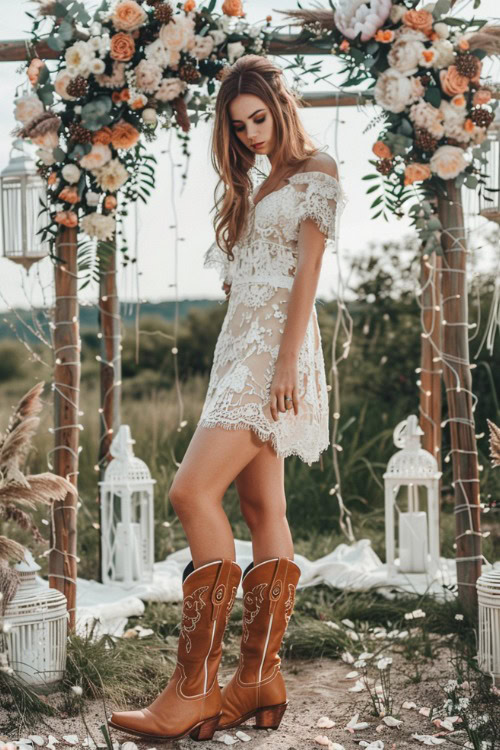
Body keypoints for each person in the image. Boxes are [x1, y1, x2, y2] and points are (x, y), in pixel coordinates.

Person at [109, 54, 347, 742]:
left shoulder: (316, 172)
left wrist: (284, 366)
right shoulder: (258, 179)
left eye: (259, 119)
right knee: (259, 505)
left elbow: (306, 276)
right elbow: (259, 270)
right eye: (239, 127)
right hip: (237, 346)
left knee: (190, 494)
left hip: (272, 353)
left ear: (281, 106)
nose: (250, 135)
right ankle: (258, 680)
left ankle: (194, 691)